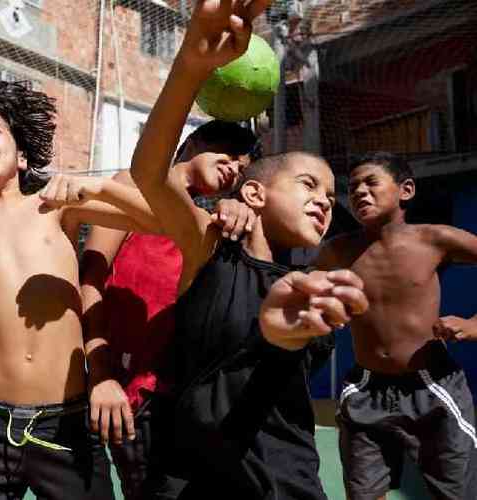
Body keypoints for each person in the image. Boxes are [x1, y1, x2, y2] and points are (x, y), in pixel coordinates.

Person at [125, 1, 368, 498]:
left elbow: (289, 336)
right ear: (254, 194)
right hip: (185, 482)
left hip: (282, 485)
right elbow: (148, 173)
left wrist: (281, 335)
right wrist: (190, 66)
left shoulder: (312, 289)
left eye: (328, 195)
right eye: (308, 185)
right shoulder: (211, 248)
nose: (323, 201)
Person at [0, 80, 162, 500]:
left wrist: (100, 189)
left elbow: (160, 223)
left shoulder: (58, 208)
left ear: (21, 155)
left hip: (68, 426)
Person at [79, 120, 260, 500]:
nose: (233, 169)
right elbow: (90, 280)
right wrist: (101, 374)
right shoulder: (131, 186)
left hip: (186, 396)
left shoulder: (208, 221)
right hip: (133, 393)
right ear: (192, 142)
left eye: (242, 170)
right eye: (226, 155)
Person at [308, 152, 477, 500]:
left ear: (406, 190)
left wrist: (474, 324)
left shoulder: (434, 239)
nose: (359, 192)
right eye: (353, 186)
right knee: (363, 494)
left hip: (433, 384)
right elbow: (301, 293)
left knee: (457, 494)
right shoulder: (337, 251)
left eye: (371, 182)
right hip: (366, 388)